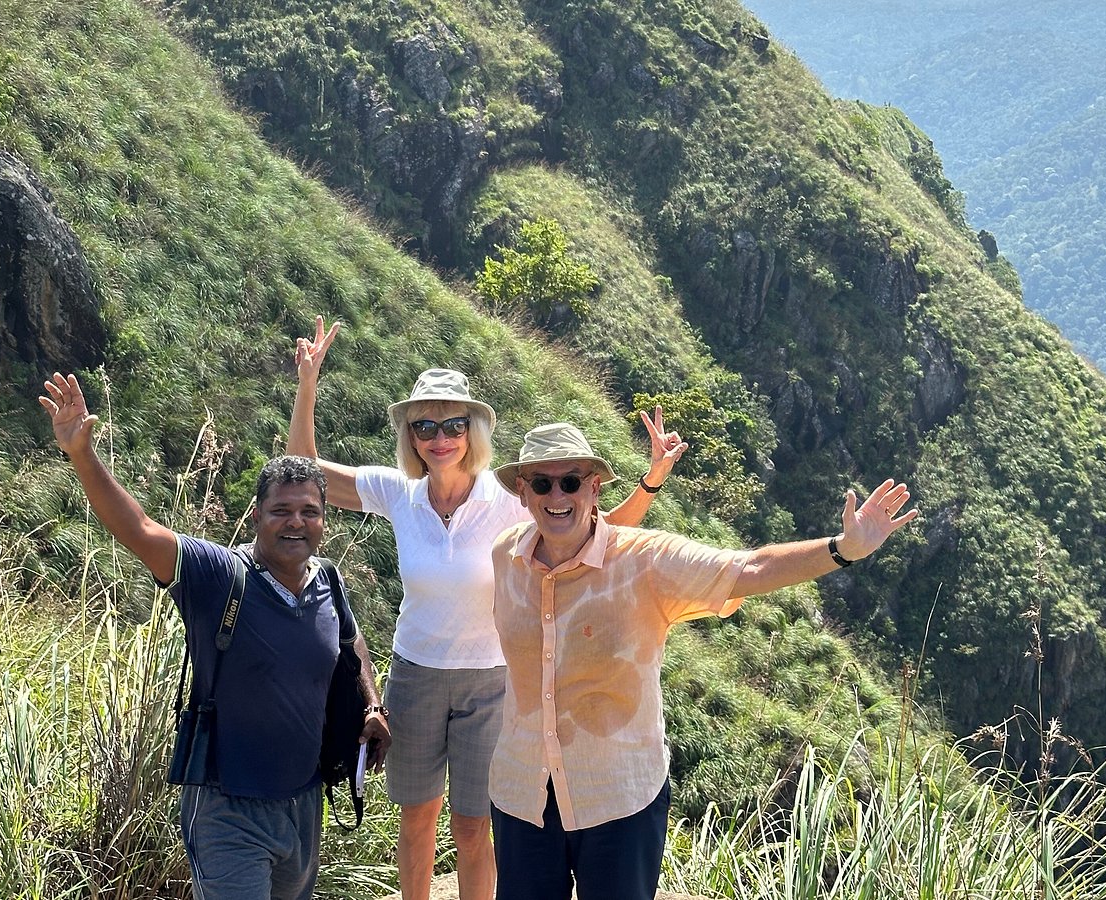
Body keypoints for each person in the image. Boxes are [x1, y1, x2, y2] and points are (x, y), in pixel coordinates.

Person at [287, 317, 686, 900]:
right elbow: (304, 473)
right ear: (411, 434)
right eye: (425, 425)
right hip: (416, 673)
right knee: (416, 817)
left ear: (473, 430)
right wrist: (308, 383)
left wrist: (650, 482)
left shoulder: (509, 499)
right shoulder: (399, 491)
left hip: (492, 680)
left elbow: (594, 532)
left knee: (475, 826)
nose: (439, 436)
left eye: (453, 423)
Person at [488, 422, 919, 900]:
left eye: (570, 481)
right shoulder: (504, 555)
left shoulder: (646, 561)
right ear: (524, 492)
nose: (557, 495)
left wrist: (843, 550)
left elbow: (748, 567)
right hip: (521, 792)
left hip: (618, 795)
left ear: (594, 489)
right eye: (543, 483)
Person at [39, 372, 391, 900]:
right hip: (226, 807)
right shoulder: (217, 575)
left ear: (324, 522)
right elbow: (140, 530)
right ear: (256, 517)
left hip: (303, 802)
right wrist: (83, 456)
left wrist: (372, 704)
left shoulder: (328, 581)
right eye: (281, 511)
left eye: (309, 512)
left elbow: (351, 643)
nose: (295, 523)